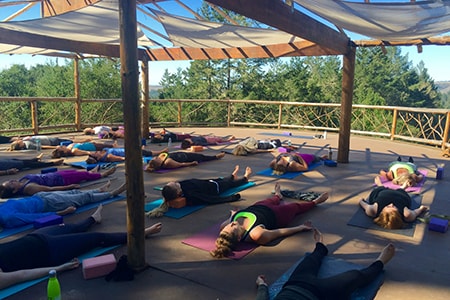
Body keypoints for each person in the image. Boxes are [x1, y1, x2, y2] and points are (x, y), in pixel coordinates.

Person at [0, 205, 162, 289]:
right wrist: (59, 268)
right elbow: (22, 275)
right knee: (96, 238)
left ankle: (93, 218)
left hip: (36, 236)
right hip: (50, 251)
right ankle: (141, 234)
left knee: (73, 227)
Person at [254, 228, 395, 300]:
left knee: (309, 261)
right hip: (321, 295)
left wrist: (262, 285)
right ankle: (380, 262)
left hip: (295, 285)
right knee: (354, 276)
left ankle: (320, 246)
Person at [210, 183, 329, 258]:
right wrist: (301, 227)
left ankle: (278, 196)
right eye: (232, 228)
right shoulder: (257, 234)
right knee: (294, 207)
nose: (232, 224)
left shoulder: (224, 225)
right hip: (277, 215)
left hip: (258, 206)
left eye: (228, 226)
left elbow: (231, 221)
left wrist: (233, 214)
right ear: (239, 238)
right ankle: (316, 202)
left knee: (271, 200)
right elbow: (279, 232)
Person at [0, 181, 126, 228]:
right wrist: (61, 213)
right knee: (82, 198)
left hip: (40, 197)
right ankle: (112, 194)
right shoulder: (9, 219)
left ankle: (99, 190)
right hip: (48, 204)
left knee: (73, 192)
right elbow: (35, 218)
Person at [147, 165, 252, 218]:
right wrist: (232, 198)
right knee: (229, 184)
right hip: (215, 189)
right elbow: (210, 200)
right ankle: (245, 178)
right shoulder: (191, 195)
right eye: (174, 184)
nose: (173, 181)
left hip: (208, 183)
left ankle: (233, 176)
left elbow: (167, 195)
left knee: (223, 179)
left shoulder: (177, 188)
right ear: (178, 192)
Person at [0, 166, 117, 198]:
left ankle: (91, 171)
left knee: (77, 172)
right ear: (15, 190)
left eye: (9, 180)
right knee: (82, 176)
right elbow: (50, 190)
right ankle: (103, 174)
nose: (12, 180)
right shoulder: (29, 188)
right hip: (61, 181)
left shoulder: (22, 180)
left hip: (56, 175)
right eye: (11, 183)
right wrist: (69, 187)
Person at [359, 186, 428, 229]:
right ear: (398, 214)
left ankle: (381, 185)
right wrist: (421, 209)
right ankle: (402, 188)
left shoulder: (373, 210)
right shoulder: (407, 215)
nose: (391, 204)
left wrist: (361, 201)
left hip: (381, 191)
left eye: (388, 206)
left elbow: (365, 205)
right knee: (401, 191)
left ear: (381, 212)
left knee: (379, 188)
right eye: (394, 207)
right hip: (401, 195)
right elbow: (415, 212)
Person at [144, 151, 226, 172]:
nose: (155, 157)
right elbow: (180, 164)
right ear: (158, 163)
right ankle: (215, 157)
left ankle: (215, 157)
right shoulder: (167, 162)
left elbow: (148, 167)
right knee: (201, 157)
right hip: (186, 158)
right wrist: (191, 163)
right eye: (155, 159)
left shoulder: (159, 159)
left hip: (181, 154)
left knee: (200, 156)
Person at [85, 147, 168, 164]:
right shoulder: (107, 157)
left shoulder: (104, 150)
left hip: (125, 148)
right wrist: (130, 158)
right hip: (129, 152)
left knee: (142, 149)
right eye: (96, 153)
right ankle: (160, 152)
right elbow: (121, 158)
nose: (97, 152)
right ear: (98, 158)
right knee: (144, 152)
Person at [51, 140, 119, 158]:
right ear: (64, 152)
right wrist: (89, 153)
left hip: (89, 144)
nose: (63, 146)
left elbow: (77, 143)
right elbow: (83, 152)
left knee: (100, 145)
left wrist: (86, 140)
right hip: (92, 147)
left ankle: (112, 146)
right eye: (62, 147)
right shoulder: (74, 151)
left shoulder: (69, 146)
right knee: (103, 146)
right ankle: (113, 146)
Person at [8, 136, 73, 151]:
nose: (18, 140)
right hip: (50, 141)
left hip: (48, 139)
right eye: (17, 142)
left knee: (70, 141)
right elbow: (42, 146)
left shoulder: (25, 142)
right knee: (70, 142)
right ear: (20, 145)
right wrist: (55, 147)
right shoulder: (29, 145)